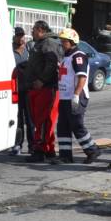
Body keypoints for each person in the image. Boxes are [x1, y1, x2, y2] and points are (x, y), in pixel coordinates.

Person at [55, 28, 102, 164]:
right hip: (64, 97)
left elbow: (82, 77)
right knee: (63, 126)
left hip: (76, 96)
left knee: (77, 125)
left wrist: (76, 95)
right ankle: (65, 156)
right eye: (62, 41)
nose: (62, 44)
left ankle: (92, 151)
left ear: (72, 42)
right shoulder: (67, 56)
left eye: (64, 41)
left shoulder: (78, 56)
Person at [25, 20, 63, 162]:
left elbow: (51, 64)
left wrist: (41, 80)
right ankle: (48, 149)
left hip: (46, 88)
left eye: (33, 29)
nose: (32, 32)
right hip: (40, 88)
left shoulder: (48, 43)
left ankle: (40, 151)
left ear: (41, 29)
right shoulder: (42, 43)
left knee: (42, 120)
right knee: (43, 120)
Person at [9, 26, 33, 156]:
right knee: (18, 120)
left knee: (30, 120)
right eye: (18, 35)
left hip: (28, 90)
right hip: (15, 90)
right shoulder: (9, 51)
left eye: (22, 35)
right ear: (14, 37)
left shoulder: (28, 49)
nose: (21, 38)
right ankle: (17, 145)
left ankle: (32, 146)